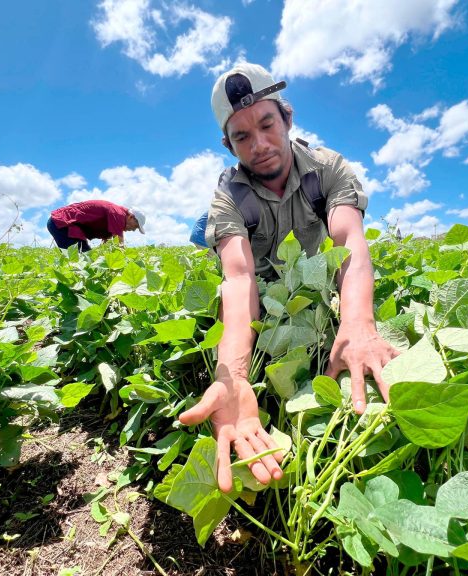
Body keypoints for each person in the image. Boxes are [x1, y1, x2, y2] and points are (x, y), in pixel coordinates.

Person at [178, 62, 400, 492]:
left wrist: (358, 323)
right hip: (261, 288)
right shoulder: (228, 198)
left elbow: (350, 242)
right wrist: (234, 375)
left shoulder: (329, 169)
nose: (259, 145)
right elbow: (239, 280)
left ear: (287, 118)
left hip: (306, 280)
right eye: (242, 137)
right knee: (226, 290)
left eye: (267, 124)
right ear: (228, 145)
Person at [47, 199, 145, 251]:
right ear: (131, 217)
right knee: (82, 260)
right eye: (135, 226)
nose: (133, 230)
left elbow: (106, 244)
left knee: (85, 258)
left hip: (62, 225)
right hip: (62, 223)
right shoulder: (118, 214)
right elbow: (120, 246)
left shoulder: (115, 217)